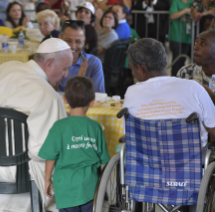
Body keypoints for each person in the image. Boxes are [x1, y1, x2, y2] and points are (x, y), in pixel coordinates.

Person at [0, 38, 73, 212]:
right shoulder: (49, 96)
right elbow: (44, 150)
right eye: (65, 69)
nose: (66, 74)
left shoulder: (6, 68)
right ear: (50, 64)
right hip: (20, 170)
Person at [123, 38, 215, 212]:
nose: (132, 73)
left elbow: (130, 137)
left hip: (148, 169)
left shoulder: (131, 92)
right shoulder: (193, 88)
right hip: (189, 167)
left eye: (132, 68)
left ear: (141, 69)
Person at [39, 76, 110, 211]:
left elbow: (50, 156)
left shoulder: (58, 127)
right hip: (90, 187)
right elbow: (104, 161)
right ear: (92, 102)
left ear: (64, 99)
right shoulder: (95, 127)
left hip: (65, 188)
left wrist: (47, 179)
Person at [58, 20, 105, 93]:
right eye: (68, 40)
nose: (73, 46)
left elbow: (98, 98)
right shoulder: (51, 62)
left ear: (84, 41)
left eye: (78, 42)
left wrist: (80, 83)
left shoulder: (93, 63)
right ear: (60, 38)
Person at [169, 0, 193, 76]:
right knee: (176, 61)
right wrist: (185, 10)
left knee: (183, 61)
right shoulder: (176, 2)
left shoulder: (192, 2)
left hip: (188, 37)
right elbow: (172, 15)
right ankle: (173, 80)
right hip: (176, 37)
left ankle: (180, 80)